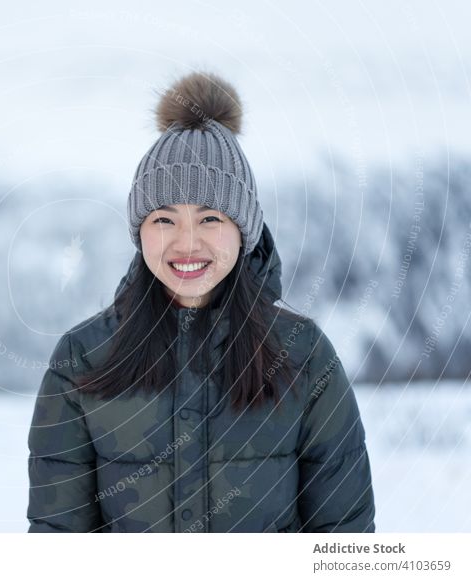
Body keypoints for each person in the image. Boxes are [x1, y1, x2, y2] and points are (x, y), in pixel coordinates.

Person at [26, 71, 375, 533]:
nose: (186, 243)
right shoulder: (82, 359)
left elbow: (343, 541)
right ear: (140, 232)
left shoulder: (304, 356)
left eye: (210, 217)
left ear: (243, 230)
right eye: (164, 219)